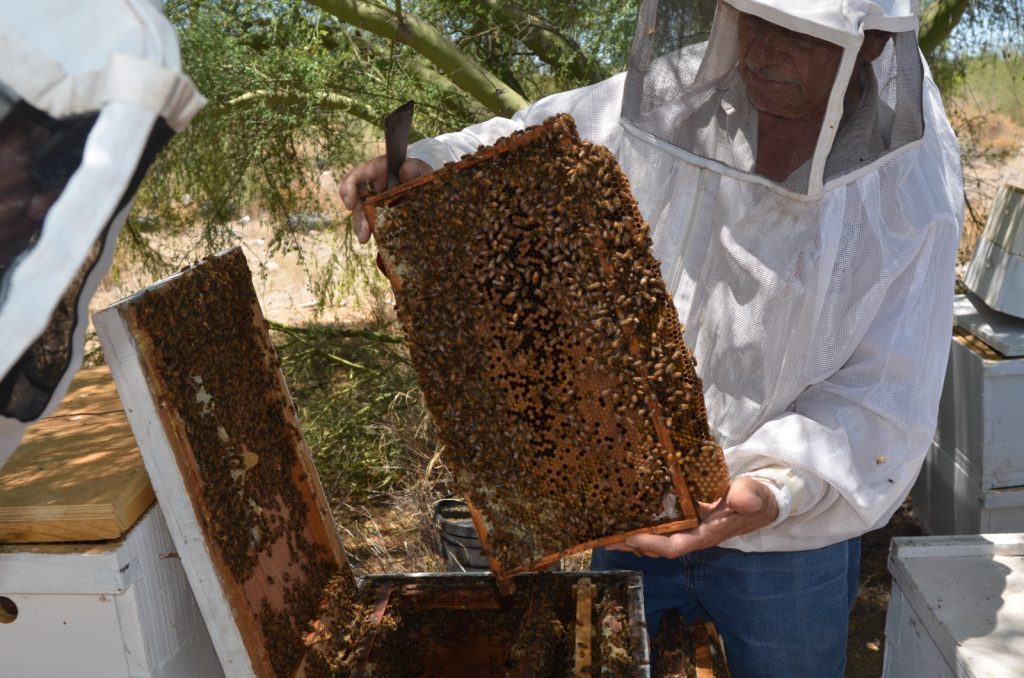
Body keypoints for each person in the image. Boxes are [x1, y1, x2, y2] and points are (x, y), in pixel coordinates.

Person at [340, 1, 963, 675]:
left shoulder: (910, 185)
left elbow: (885, 391)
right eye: (751, 20)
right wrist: (424, 166)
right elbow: (541, 138)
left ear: (869, 45)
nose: (760, 53)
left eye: (798, 37)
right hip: (633, 498)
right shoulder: (683, 94)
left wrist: (775, 490)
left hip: (787, 541)